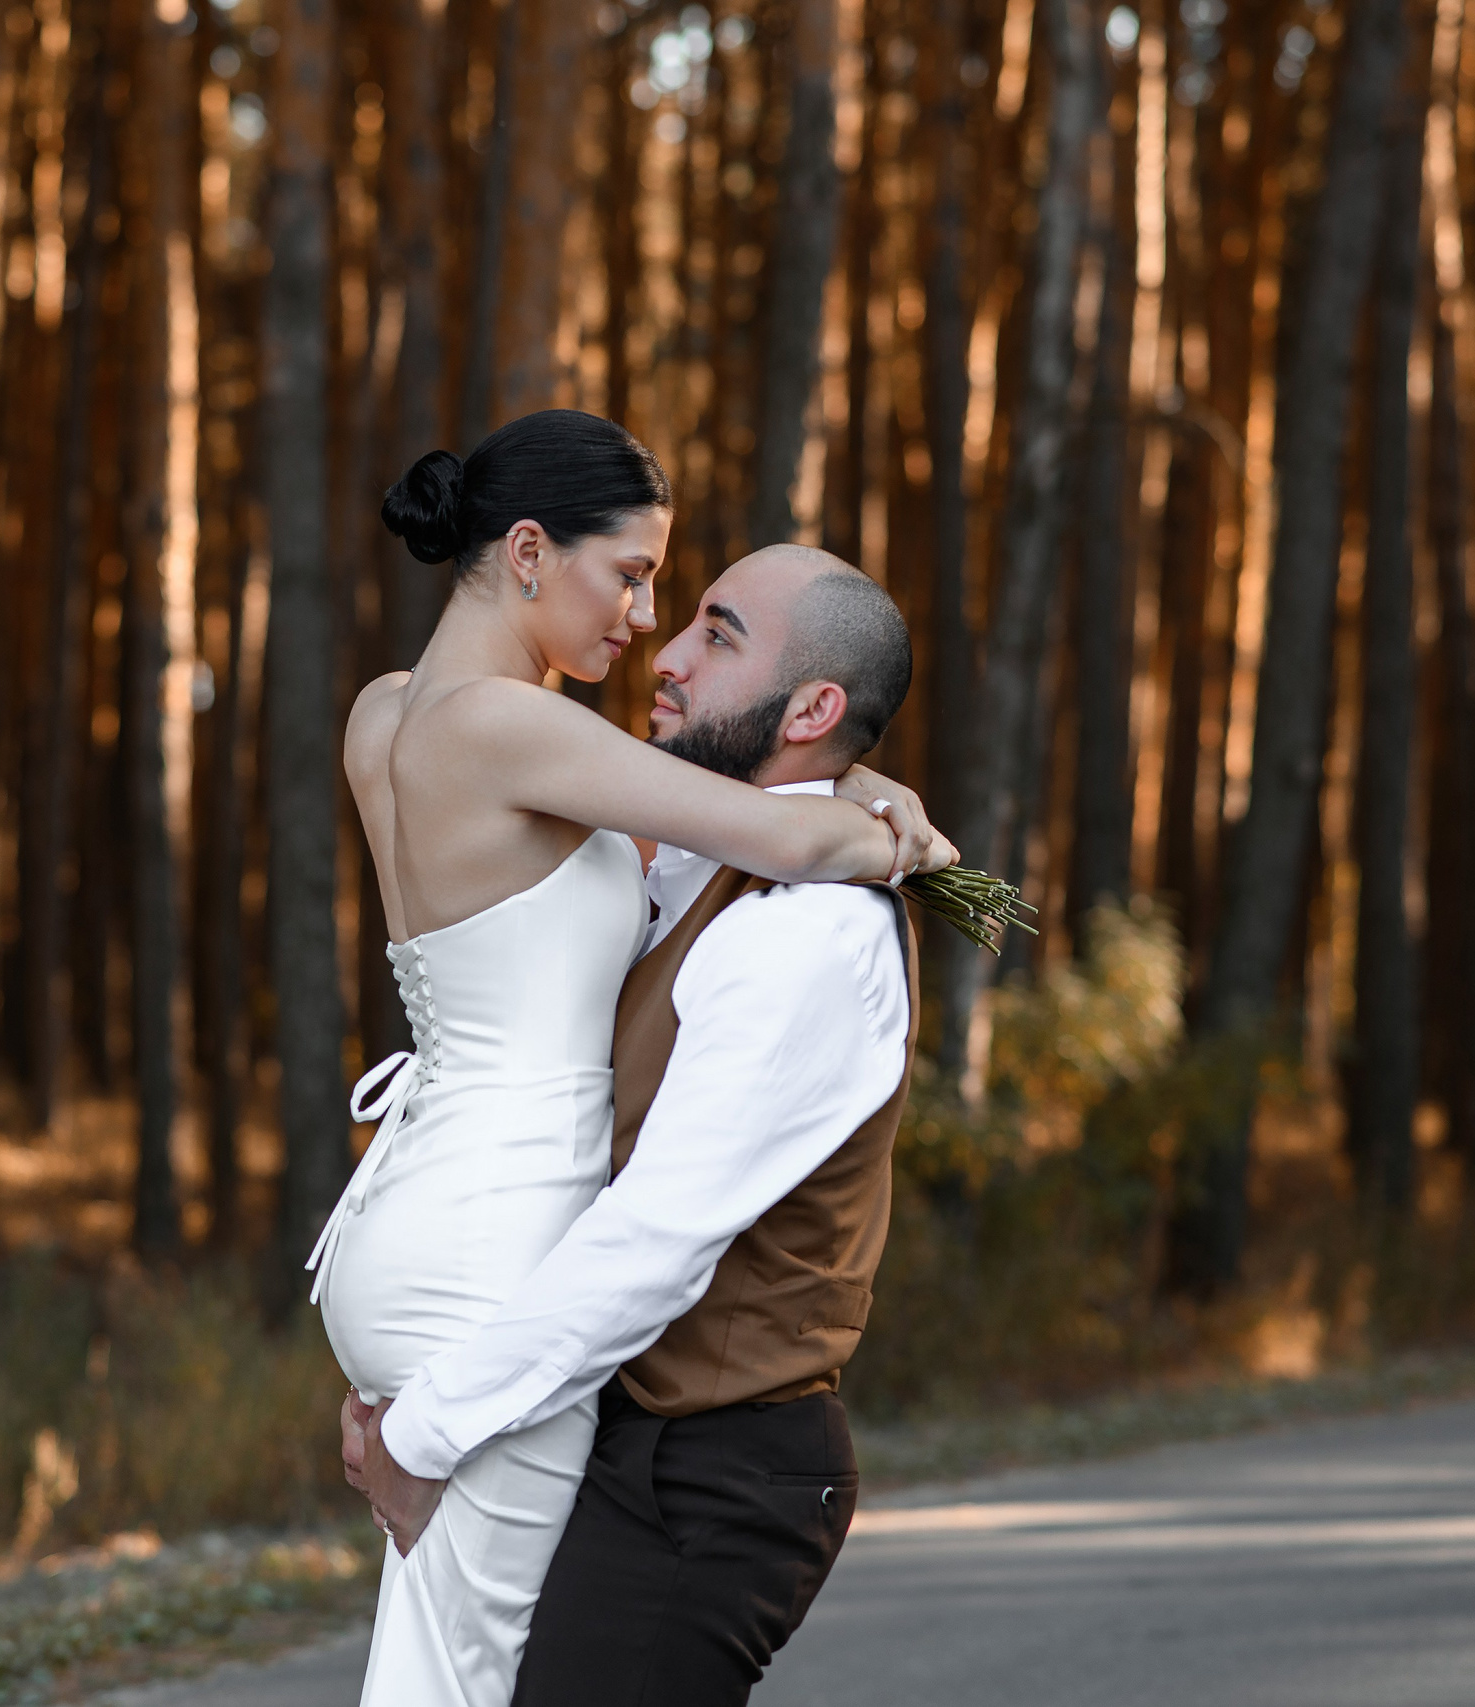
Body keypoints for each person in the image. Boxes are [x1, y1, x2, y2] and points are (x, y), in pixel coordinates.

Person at [315, 411, 951, 1707]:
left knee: (451, 1672)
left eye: (707, 629)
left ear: (812, 704)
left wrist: (848, 796)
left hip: (453, 1244)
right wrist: (885, 816)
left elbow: (705, 864)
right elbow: (763, 838)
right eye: (643, 581)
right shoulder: (539, 747)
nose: (654, 636)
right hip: (495, 1247)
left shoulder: (392, 713)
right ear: (532, 552)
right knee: (459, 1678)